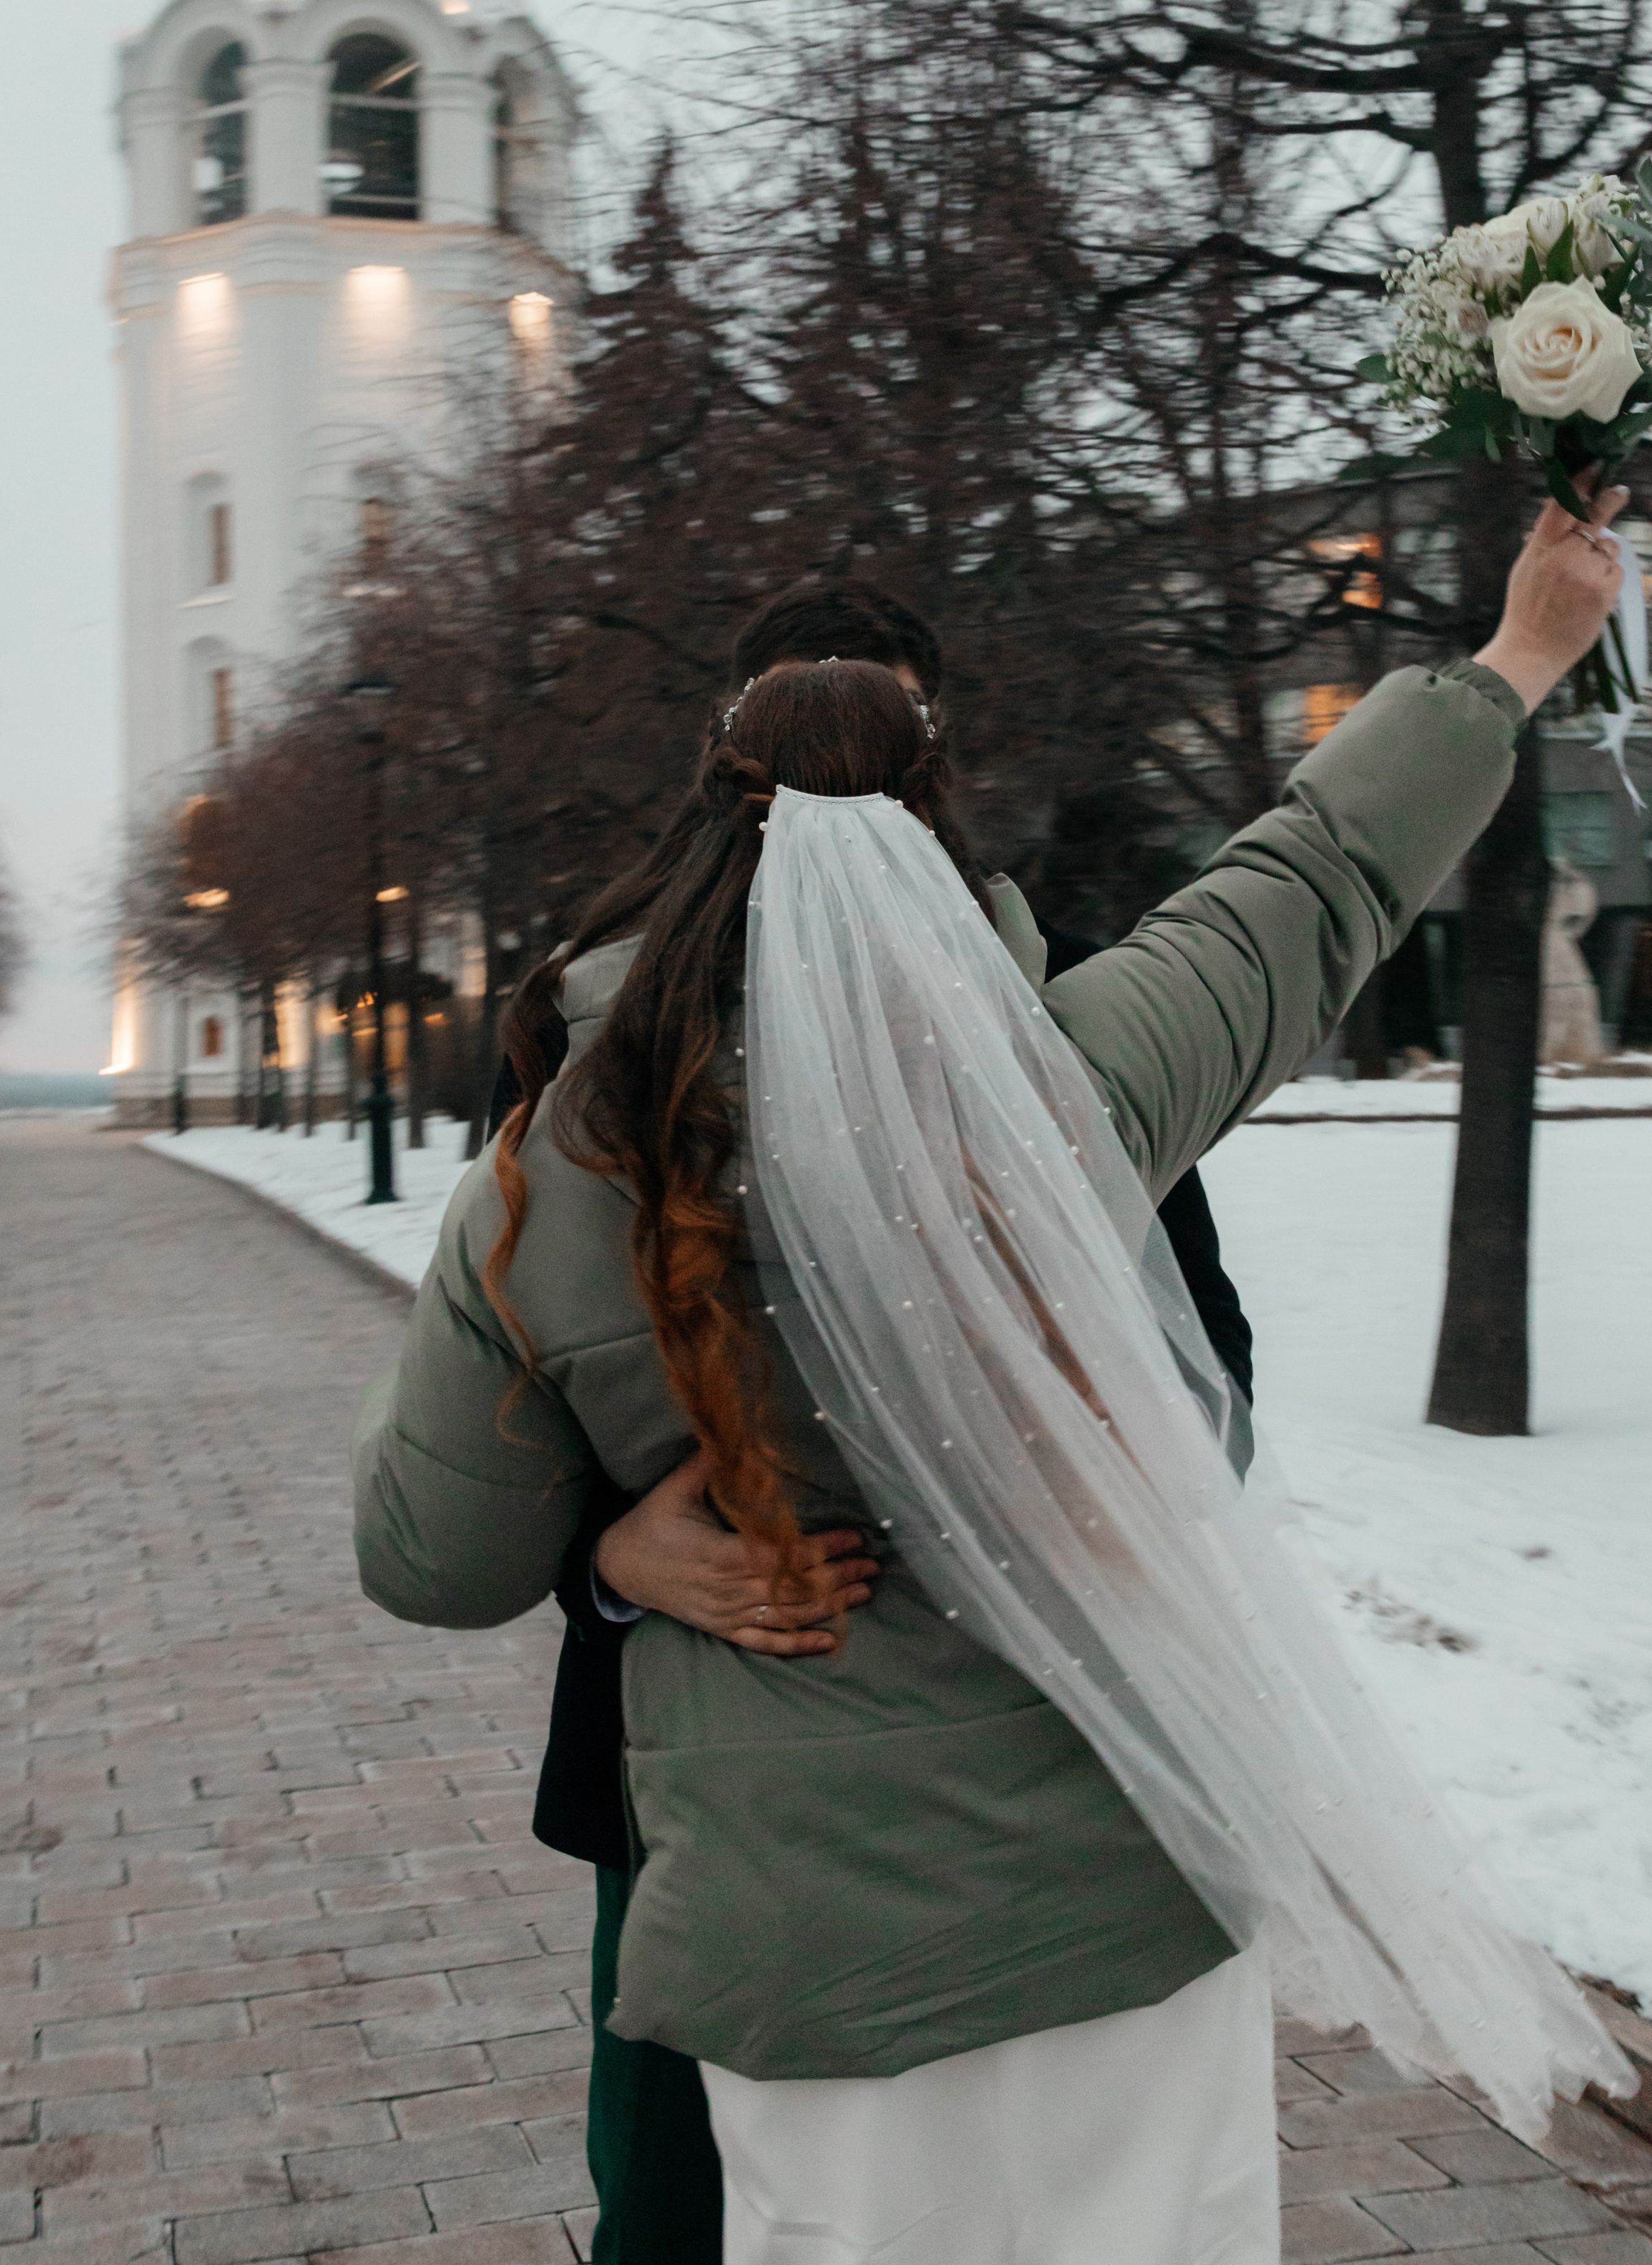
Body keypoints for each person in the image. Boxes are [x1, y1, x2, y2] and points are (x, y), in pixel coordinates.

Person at [353, 490, 1634, 2264]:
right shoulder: (1078, 1085)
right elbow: (1315, 871)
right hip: (1121, 1884)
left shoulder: (551, 1170)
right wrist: (1516, 653)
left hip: (802, 1937)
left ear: (709, 809)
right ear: (934, 811)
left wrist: (605, 1547)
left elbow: (426, 1557)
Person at [484, 575, 1257, 2265]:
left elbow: (1203, 1369)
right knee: (671, 2197)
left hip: (1034, 1767)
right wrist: (614, 1557)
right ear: (727, 776)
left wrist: (1107, 1471)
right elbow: (506, 1413)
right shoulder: (591, 1046)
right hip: (702, 1770)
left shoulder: (1047, 1037)